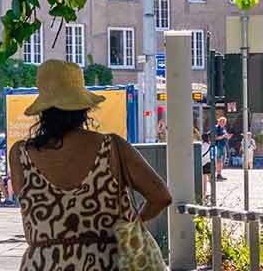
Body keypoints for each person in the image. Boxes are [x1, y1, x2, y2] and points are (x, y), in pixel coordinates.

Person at [9, 60, 171, 270]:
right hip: (106, 261)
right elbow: (161, 197)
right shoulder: (112, 147)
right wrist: (132, 224)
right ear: (83, 107)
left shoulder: (20, 155)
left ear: (43, 110)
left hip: (43, 264)